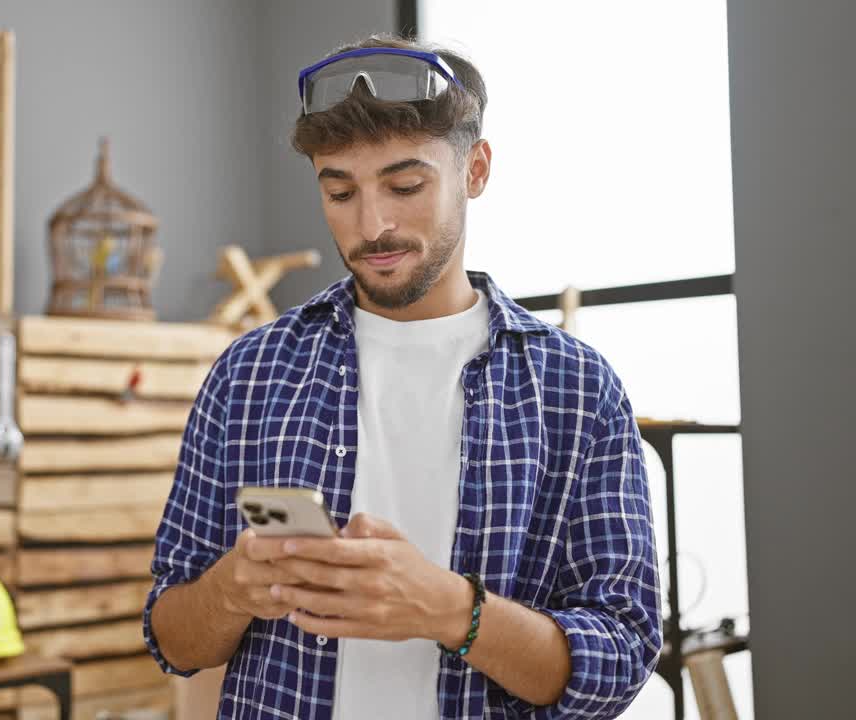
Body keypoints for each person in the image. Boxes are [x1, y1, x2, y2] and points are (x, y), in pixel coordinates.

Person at [143, 35, 661, 719]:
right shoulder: (251, 372)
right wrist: (232, 591)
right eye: (340, 191)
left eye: (406, 185)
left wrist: (453, 611)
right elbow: (171, 637)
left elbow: (622, 658)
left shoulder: (575, 388)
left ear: (475, 169)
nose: (372, 225)